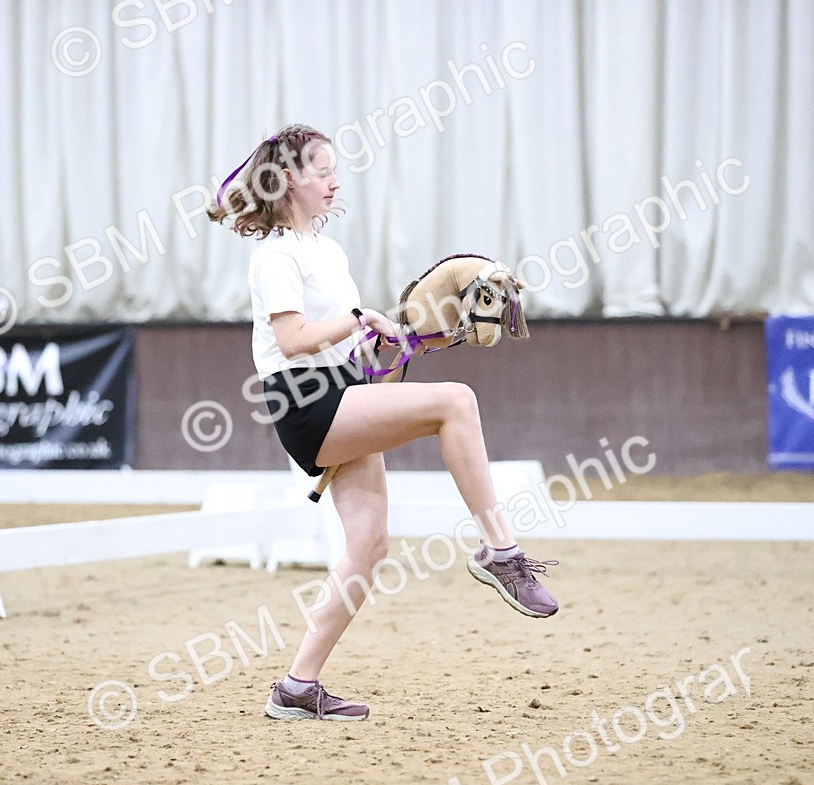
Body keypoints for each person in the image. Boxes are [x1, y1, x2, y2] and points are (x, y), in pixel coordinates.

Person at [208, 124, 558, 722]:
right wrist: (355, 318)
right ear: (288, 178)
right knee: (456, 402)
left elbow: (340, 339)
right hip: (304, 401)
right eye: (322, 169)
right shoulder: (275, 255)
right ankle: (501, 550)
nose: (334, 180)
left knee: (368, 547)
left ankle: (296, 687)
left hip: (342, 389)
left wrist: (398, 335)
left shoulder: (327, 250)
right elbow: (293, 340)